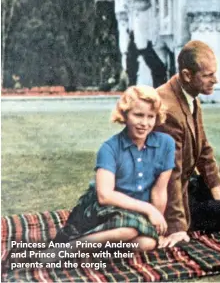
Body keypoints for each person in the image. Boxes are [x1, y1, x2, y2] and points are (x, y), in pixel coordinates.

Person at [155, 40, 220, 248]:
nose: (215, 80)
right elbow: (170, 173)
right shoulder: (168, 109)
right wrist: (177, 228)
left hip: (187, 183)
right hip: (166, 199)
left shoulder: (190, 95)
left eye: (214, 74)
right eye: (208, 75)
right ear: (187, 75)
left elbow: (204, 151)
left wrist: (217, 190)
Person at [53, 85, 175, 251]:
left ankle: (98, 245)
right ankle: (70, 247)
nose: (144, 123)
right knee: (129, 230)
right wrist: (148, 209)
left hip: (137, 213)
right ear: (124, 115)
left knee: (147, 243)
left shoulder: (166, 144)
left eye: (150, 117)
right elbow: (104, 196)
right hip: (105, 209)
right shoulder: (110, 148)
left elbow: (159, 191)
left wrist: (158, 222)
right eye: (138, 115)